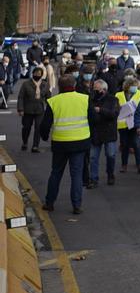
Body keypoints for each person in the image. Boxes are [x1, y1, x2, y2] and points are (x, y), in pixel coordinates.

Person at [40, 75, 91, 213]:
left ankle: (49, 203)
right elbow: (93, 119)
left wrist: (44, 137)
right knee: (76, 175)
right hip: (80, 142)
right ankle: (76, 205)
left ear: (59, 87)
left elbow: (45, 125)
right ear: (74, 85)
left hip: (60, 143)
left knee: (56, 173)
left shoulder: (53, 101)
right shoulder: (84, 99)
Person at [85, 78, 119, 189]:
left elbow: (114, 114)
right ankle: (93, 179)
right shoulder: (91, 99)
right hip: (96, 132)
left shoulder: (113, 99)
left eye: (96, 89)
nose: (94, 91)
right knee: (93, 157)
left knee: (110, 155)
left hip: (109, 132)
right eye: (93, 89)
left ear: (103, 90)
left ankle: (110, 174)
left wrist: (100, 110)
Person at [115, 77, 140, 174]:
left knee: (136, 143)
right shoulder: (118, 95)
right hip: (123, 124)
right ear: (127, 86)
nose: (134, 88)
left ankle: (139, 164)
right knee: (125, 145)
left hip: (135, 123)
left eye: (136, 86)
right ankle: (124, 165)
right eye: (133, 86)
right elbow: (116, 108)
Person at [18, 65, 50, 152]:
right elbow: (21, 97)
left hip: (39, 110)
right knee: (26, 127)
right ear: (32, 74)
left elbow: (49, 98)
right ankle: (25, 142)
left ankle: (35, 146)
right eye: (36, 73)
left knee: (38, 128)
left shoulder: (45, 84)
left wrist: (51, 109)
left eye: (39, 74)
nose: (37, 75)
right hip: (28, 110)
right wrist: (20, 109)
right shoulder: (26, 84)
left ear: (42, 75)